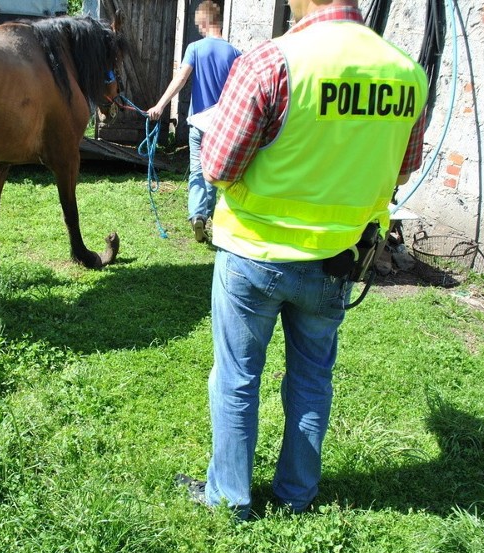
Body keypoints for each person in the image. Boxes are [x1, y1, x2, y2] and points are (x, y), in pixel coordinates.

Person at [175, 0, 429, 519]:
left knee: (237, 378)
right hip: (338, 259)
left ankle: (230, 497)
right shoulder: (406, 72)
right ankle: (295, 497)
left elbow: (219, 166)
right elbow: (405, 169)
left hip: (255, 253)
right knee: (312, 381)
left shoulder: (273, 62)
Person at [147, 1, 240, 243]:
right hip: (222, 126)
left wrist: (160, 105)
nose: (198, 28)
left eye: (199, 24)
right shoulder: (235, 53)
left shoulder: (196, 48)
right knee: (214, 174)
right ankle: (204, 215)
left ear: (207, 21)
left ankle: (197, 214)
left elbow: (180, 79)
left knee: (197, 171)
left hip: (198, 123)